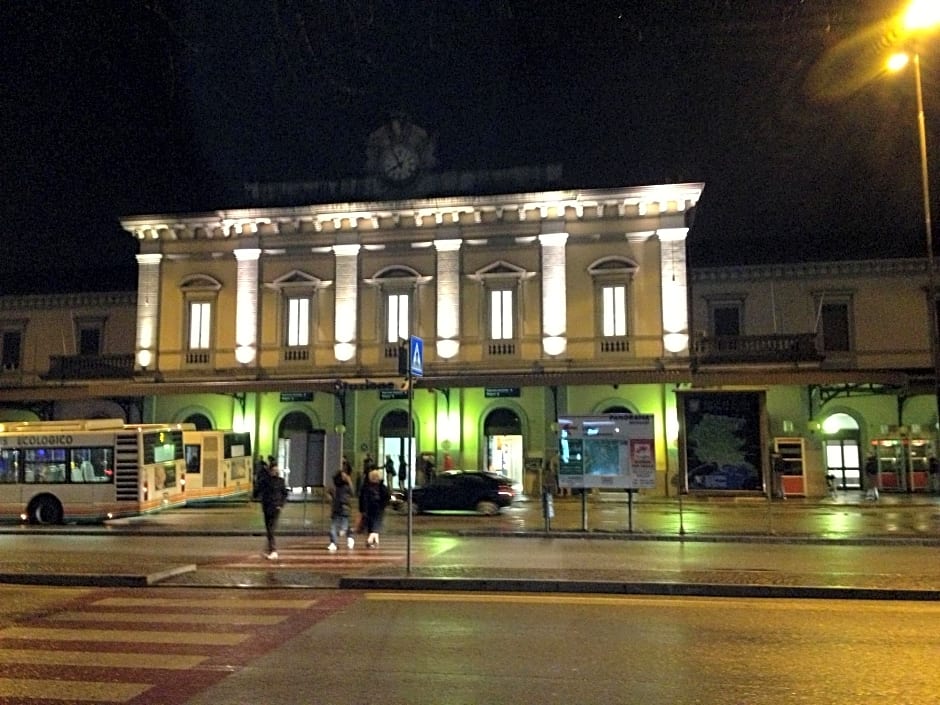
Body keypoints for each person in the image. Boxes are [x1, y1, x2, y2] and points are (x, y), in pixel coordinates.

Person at [257, 459, 288, 559]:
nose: (275, 471)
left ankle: (273, 550)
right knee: (269, 529)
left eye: (276, 470)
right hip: (270, 507)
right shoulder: (268, 481)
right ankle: (270, 549)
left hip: (273, 507)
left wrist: (281, 504)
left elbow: (285, 494)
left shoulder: (277, 481)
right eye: (274, 470)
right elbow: (259, 491)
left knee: (270, 529)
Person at [358, 468, 391, 548]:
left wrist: (362, 509)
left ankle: (374, 542)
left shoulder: (365, 487)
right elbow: (387, 497)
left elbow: (361, 498)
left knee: (371, 526)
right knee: (375, 527)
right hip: (378, 510)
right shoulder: (382, 487)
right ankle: (370, 541)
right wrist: (384, 505)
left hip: (368, 510)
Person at [327, 468, 355, 552]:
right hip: (336, 509)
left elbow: (352, 492)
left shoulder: (346, 487)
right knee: (333, 527)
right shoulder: (334, 487)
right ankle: (334, 543)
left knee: (343, 527)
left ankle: (349, 536)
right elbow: (329, 493)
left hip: (344, 508)